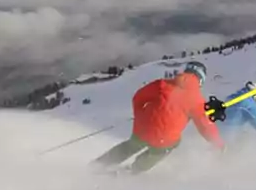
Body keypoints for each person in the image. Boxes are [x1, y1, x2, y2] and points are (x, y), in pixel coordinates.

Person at [92, 61, 224, 174]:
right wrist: (218, 144)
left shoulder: (161, 84)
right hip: (164, 140)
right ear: (201, 80)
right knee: (164, 148)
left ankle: (99, 165)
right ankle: (134, 169)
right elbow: (205, 126)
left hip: (142, 129)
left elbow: (138, 97)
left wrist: (140, 115)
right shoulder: (197, 100)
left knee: (130, 145)